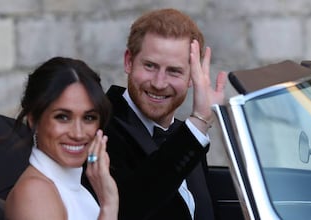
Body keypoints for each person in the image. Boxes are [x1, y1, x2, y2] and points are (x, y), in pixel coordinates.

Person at [82, 8, 227, 220]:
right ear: (129, 62)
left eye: (174, 71)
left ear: (191, 79)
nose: (159, 83)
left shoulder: (185, 135)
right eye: (150, 66)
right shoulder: (98, 127)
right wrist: (199, 122)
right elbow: (130, 208)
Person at [5, 57, 119, 220]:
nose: (78, 134)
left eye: (89, 118)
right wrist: (109, 207)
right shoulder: (35, 193)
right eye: (63, 117)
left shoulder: (75, 187)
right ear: (33, 120)